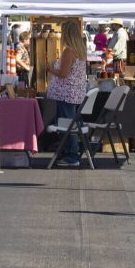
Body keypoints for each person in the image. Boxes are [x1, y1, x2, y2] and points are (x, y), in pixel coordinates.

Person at [47, 19, 88, 167]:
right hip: (74, 93)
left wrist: (50, 69)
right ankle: (69, 152)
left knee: (66, 124)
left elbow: (63, 73)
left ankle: (72, 155)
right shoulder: (80, 50)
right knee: (69, 123)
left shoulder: (69, 51)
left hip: (66, 94)